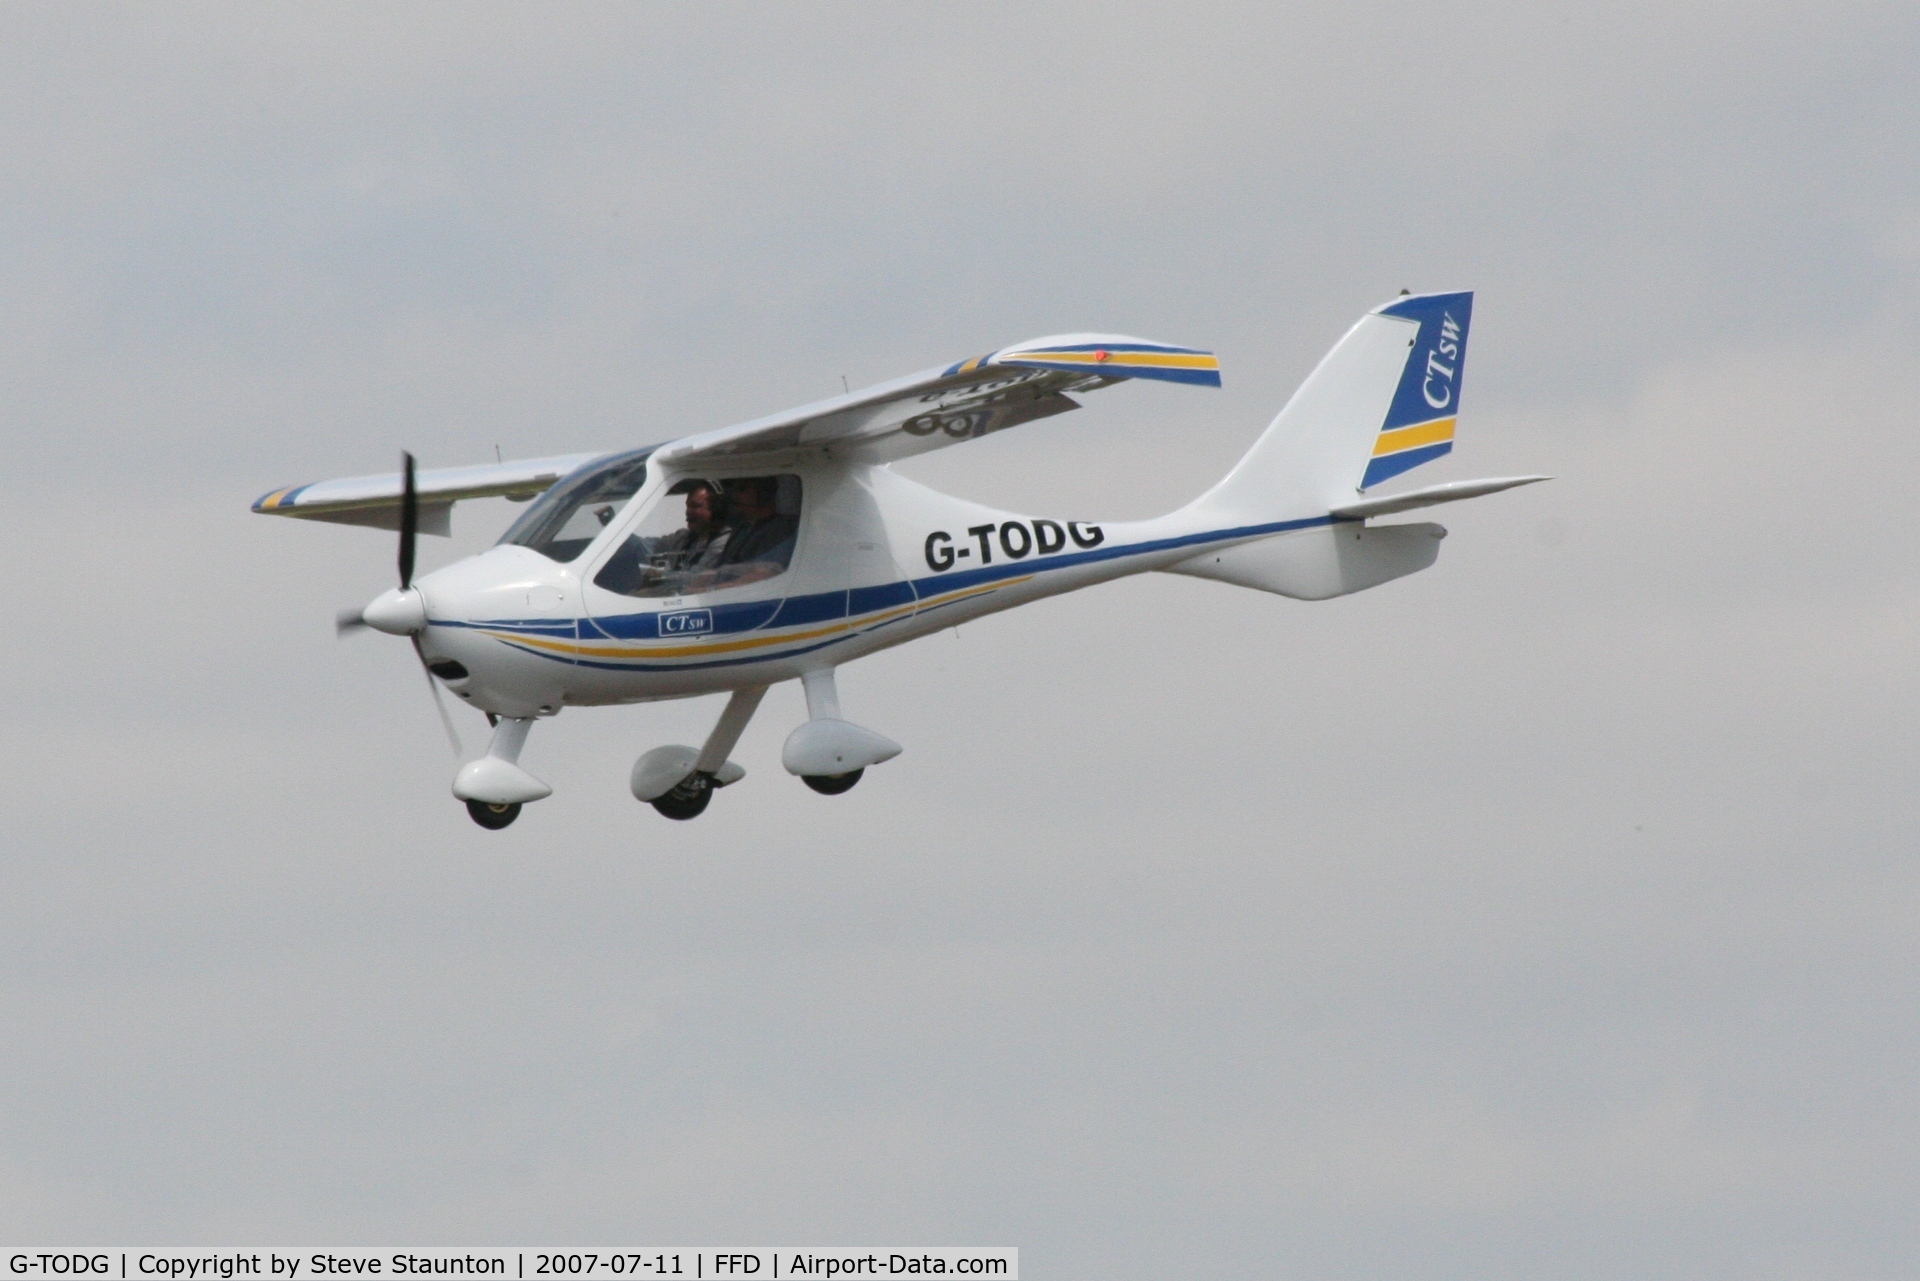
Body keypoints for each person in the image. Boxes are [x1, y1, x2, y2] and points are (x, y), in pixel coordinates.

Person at [710, 476, 799, 586]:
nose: (734, 495)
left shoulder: (781, 529)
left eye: (742, 489)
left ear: (764, 493)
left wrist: (713, 589)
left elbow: (764, 574)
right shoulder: (741, 529)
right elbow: (716, 571)